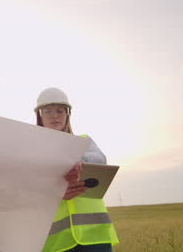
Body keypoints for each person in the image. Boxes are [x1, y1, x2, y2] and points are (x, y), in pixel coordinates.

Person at [34, 87, 119, 252]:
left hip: (94, 236)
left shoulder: (84, 141)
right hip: (57, 241)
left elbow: (100, 158)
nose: (54, 116)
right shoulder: (33, 151)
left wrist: (80, 160)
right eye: (48, 111)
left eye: (60, 111)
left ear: (67, 115)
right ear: (40, 116)